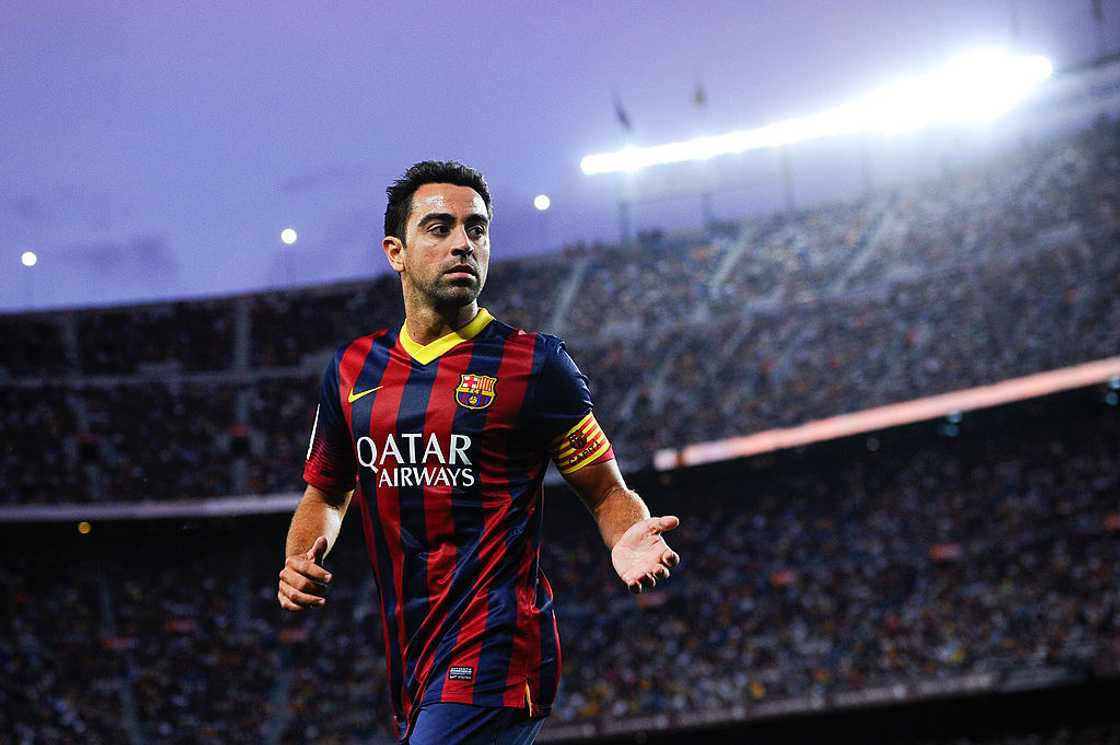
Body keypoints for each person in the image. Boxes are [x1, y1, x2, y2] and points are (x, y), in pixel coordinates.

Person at [278, 160, 681, 744]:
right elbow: (326, 492)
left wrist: (628, 535)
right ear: (396, 251)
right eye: (440, 228)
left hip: (498, 645)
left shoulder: (535, 364)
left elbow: (607, 490)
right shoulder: (351, 370)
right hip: (411, 654)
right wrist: (297, 558)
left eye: (477, 229)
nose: (463, 244)